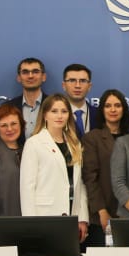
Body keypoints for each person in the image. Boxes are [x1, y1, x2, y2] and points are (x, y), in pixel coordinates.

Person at [19, 93, 89, 241]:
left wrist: (82, 218)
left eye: (64, 111)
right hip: (44, 215)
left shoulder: (74, 144)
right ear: (45, 115)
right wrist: (30, 225)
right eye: (54, 111)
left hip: (71, 214)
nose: (60, 116)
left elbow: (80, 184)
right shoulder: (34, 143)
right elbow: (27, 188)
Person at [80, 90, 129, 242]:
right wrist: (101, 211)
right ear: (102, 110)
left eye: (117, 105)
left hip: (128, 212)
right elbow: (90, 178)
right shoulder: (92, 138)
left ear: (124, 109)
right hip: (101, 214)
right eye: (108, 106)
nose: (113, 110)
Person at [62, 63, 101, 137]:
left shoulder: (100, 115)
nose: (77, 86)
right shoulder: (54, 115)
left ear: (89, 86)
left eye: (83, 81)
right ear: (64, 85)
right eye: (72, 80)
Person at [10, 57, 47, 131]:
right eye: (25, 72)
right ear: (19, 78)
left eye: (35, 72)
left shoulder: (54, 105)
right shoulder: (9, 107)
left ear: (43, 77)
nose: (30, 76)